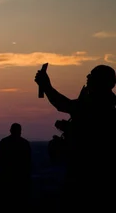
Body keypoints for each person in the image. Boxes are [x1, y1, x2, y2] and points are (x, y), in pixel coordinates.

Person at [35, 64, 116, 205]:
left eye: (92, 75)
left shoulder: (97, 104)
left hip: (87, 174)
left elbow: (63, 105)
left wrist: (46, 86)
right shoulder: (100, 103)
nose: (88, 78)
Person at [0, 123, 32, 203]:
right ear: (20, 131)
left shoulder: (4, 142)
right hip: (20, 176)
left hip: (7, 175)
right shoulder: (25, 143)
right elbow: (28, 160)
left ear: (10, 130)